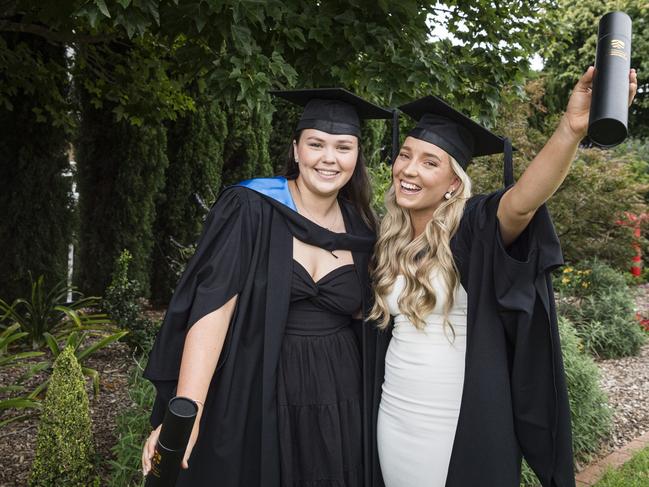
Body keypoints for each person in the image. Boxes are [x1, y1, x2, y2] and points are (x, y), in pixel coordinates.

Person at [366, 67, 638, 487]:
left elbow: (522, 204)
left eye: (429, 161)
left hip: (455, 419)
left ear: (454, 183)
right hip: (395, 411)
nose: (409, 169)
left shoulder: (471, 226)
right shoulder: (389, 234)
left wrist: (570, 129)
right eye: (405, 155)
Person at [141, 88, 393, 486]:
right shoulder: (251, 207)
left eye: (343, 147)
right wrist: (187, 411)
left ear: (356, 156)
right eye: (316, 144)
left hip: (339, 393)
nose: (329, 158)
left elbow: (369, 321)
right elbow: (212, 309)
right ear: (296, 150)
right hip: (259, 386)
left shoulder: (363, 229)